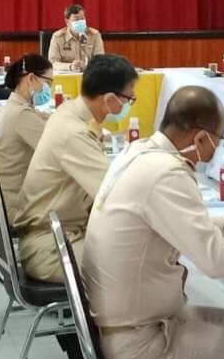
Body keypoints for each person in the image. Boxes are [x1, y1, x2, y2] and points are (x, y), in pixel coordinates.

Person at [84, 85, 224, 359]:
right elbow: (217, 261)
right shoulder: (167, 173)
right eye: (220, 140)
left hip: (129, 321)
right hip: (141, 340)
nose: (215, 151)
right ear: (201, 138)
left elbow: (169, 224)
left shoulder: (138, 152)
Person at [15, 54, 137, 283]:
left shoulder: (68, 112)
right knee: (143, 265)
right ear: (110, 99)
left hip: (60, 233)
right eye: (129, 99)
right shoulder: (74, 133)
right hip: (51, 247)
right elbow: (115, 195)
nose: (128, 105)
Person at [0, 54, 53, 219]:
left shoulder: (14, 106)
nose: (48, 88)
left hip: (7, 195)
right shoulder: (21, 115)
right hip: (17, 205)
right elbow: (56, 150)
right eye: (48, 82)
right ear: (31, 78)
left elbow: (43, 118)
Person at [48, 4, 105, 72]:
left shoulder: (94, 35)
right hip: (67, 75)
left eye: (82, 19)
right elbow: (53, 63)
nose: (80, 22)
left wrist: (86, 66)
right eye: (76, 19)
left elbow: (100, 61)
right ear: (67, 22)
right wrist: (70, 66)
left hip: (88, 74)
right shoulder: (58, 37)